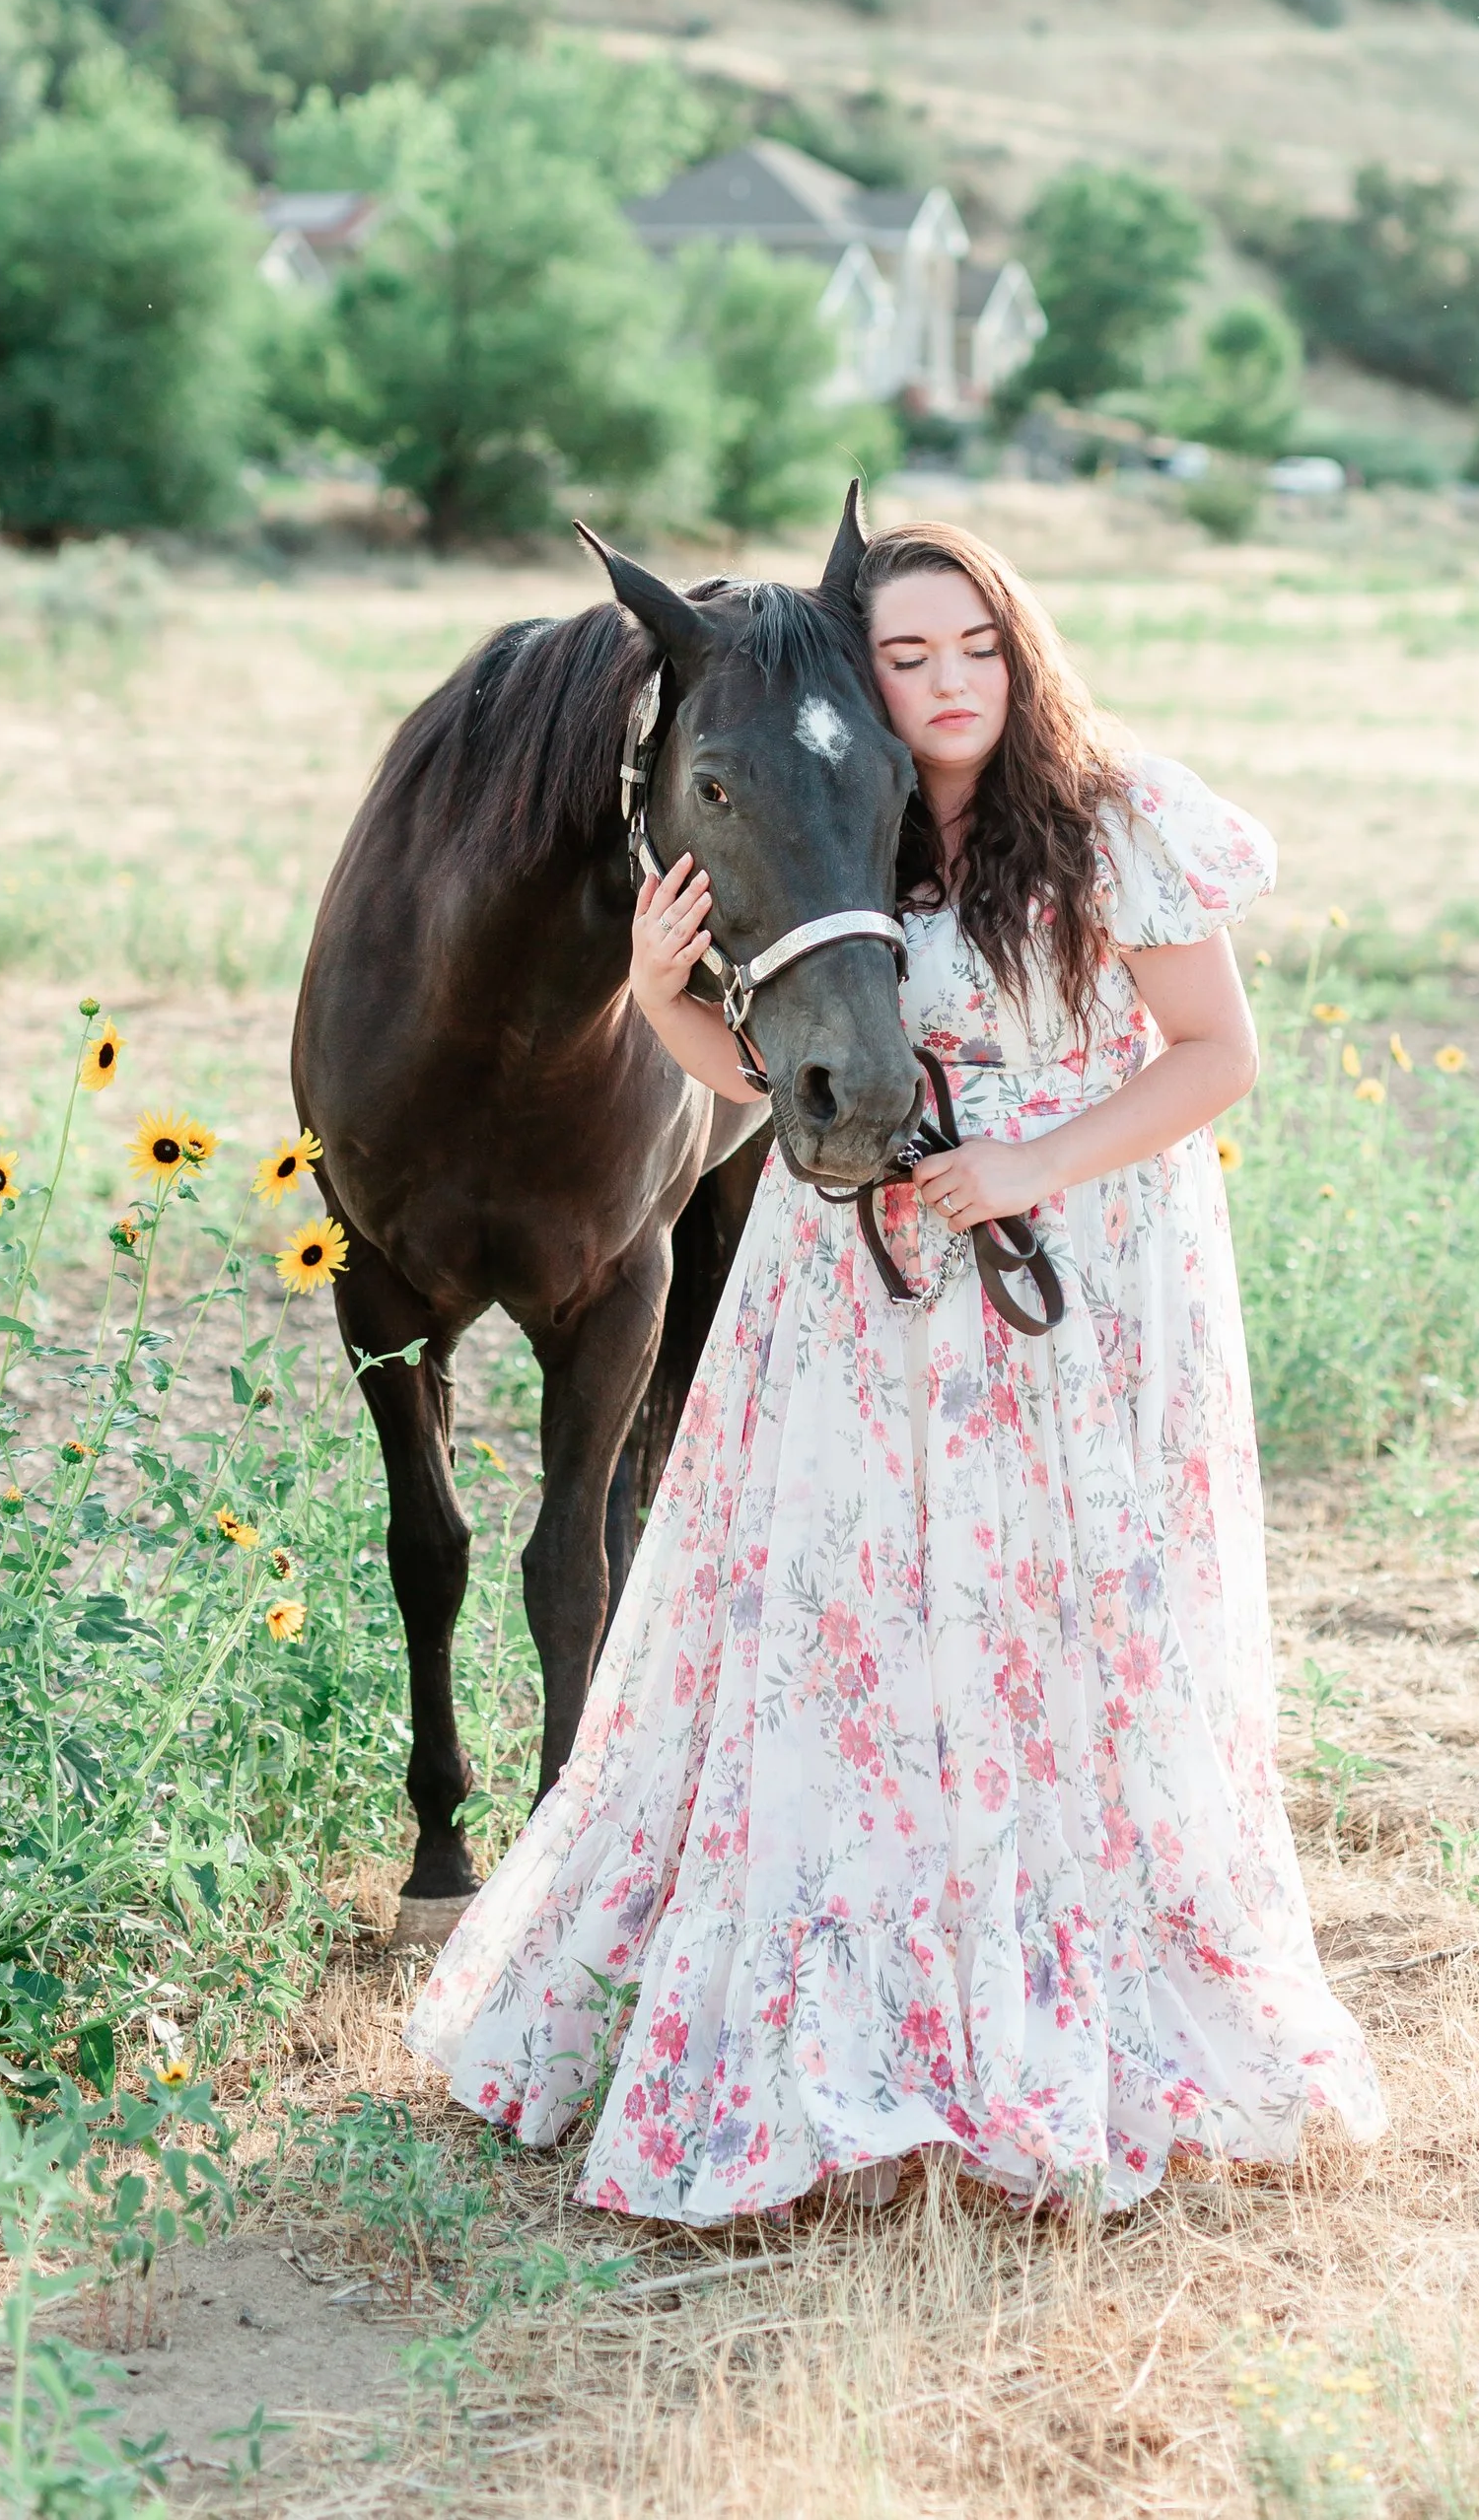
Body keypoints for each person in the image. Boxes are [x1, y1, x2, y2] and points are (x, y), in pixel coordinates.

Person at [405, 519, 1383, 2217]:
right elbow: (773, 1067)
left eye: (972, 650)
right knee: (853, 1642)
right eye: (905, 657)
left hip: (1068, 1275)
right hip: (850, 1301)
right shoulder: (843, 812)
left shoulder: (1115, 818)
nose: (940, 685)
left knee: (1050, 1639)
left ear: (1024, 650)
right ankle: (844, 2018)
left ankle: (1046, 2010)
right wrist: (655, 996)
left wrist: (1027, 1167)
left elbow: (1220, 1058)